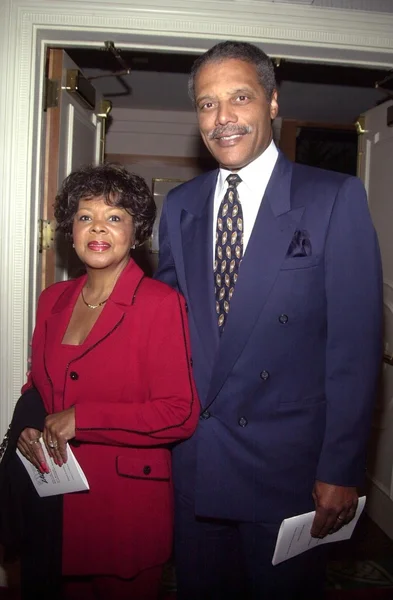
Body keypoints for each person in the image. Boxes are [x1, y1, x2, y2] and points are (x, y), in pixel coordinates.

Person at [155, 41, 383, 599]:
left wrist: (342, 468)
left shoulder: (334, 197)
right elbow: (162, 325)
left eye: (239, 97)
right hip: (198, 464)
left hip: (289, 471)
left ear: (273, 103)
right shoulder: (181, 204)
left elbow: (355, 348)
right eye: (207, 104)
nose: (223, 118)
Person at [14, 163, 199, 599]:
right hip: (53, 499)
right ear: (70, 231)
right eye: (85, 217)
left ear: (136, 234)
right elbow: (37, 387)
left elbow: (180, 414)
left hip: (124, 510)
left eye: (114, 218)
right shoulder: (51, 300)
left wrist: (83, 419)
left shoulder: (160, 304)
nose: (98, 228)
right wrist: (30, 427)